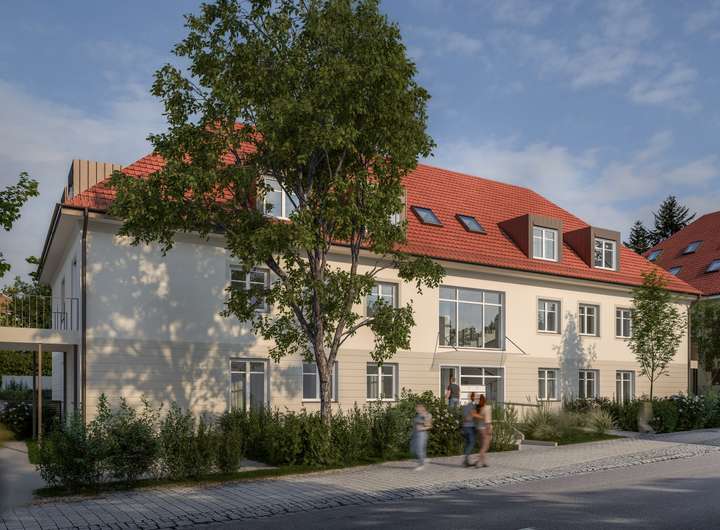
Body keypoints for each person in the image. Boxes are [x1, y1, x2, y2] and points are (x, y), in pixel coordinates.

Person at [411, 403, 432, 470]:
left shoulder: (427, 415)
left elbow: (429, 426)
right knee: (413, 448)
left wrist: (422, 428)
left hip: (422, 434)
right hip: (415, 434)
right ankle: (424, 459)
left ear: (423, 408)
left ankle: (421, 464)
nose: (416, 409)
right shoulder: (418, 415)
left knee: (419, 449)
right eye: (416, 408)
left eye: (418, 408)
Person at [462, 392, 480, 467]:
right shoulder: (473, 406)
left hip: (465, 427)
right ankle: (465, 459)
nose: (477, 399)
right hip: (470, 427)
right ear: (474, 398)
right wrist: (483, 417)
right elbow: (472, 416)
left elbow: (464, 417)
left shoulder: (465, 406)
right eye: (477, 398)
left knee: (467, 443)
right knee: (472, 442)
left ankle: (466, 461)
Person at [476, 394, 492, 467]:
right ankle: (479, 461)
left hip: (479, 428)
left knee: (482, 446)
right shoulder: (487, 408)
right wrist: (489, 430)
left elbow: (477, 419)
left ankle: (483, 462)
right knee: (485, 446)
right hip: (485, 428)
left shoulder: (480, 408)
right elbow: (487, 421)